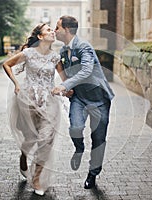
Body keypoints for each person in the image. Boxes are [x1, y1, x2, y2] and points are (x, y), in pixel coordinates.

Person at [52, 15, 115, 189]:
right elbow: (67, 72)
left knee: (98, 139)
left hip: (99, 99)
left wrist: (64, 85)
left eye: (57, 27)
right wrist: (68, 88)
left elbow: (87, 70)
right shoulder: (63, 51)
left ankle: (92, 174)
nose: (55, 30)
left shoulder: (83, 47)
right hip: (79, 97)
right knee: (75, 128)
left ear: (66, 29)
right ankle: (79, 148)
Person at [3, 23, 64, 196]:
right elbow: (7, 64)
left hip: (49, 103)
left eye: (53, 29)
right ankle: (23, 154)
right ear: (40, 37)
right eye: (48, 30)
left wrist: (66, 88)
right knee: (30, 137)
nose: (52, 31)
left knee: (46, 139)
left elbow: (64, 79)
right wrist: (16, 84)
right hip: (28, 101)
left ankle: (36, 178)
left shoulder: (55, 57)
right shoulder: (28, 53)